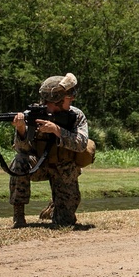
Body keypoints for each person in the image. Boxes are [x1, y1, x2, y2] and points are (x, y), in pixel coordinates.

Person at [9, 73, 90, 228]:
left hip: (64, 169)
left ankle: (56, 206)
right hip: (38, 166)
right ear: (57, 99)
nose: (72, 99)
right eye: (69, 96)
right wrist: (21, 130)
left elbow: (81, 144)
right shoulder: (32, 115)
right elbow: (22, 149)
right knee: (19, 161)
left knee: (65, 222)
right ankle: (18, 216)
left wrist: (57, 130)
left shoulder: (76, 115)